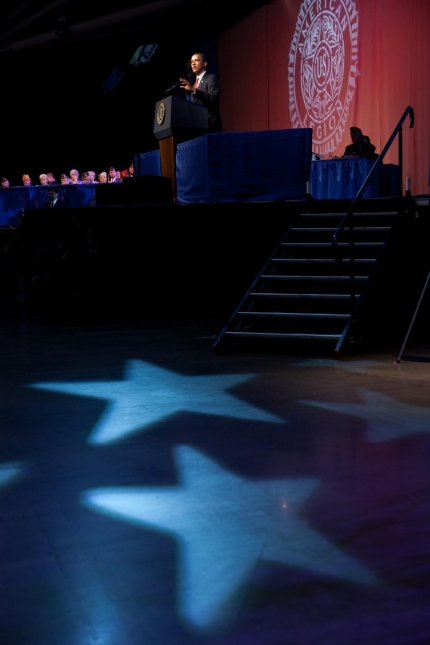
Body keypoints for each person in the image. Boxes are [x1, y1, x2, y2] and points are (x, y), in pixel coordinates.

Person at [179, 52, 223, 133]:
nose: (193, 64)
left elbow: (213, 98)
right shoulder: (194, 84)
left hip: (210, 125)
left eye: (197, 60)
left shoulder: (211, 78)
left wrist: (194, 90)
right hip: (198, 127)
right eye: (192, 62)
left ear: (204, 64)